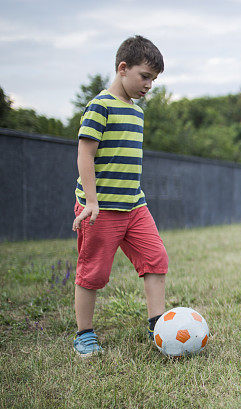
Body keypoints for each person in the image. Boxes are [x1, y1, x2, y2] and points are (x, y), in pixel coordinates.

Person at [71, 35, 168, 358]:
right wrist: (92, 201)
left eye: (153, 79)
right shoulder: (100, 106)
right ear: (123, 68)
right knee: (93, 273)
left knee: (156, 261)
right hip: (101, 210)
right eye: (145, 76)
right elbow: (85, 155)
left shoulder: (137, 113)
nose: (149, 85)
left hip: (135, 205)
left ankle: (158, 326)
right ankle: (84, 334)